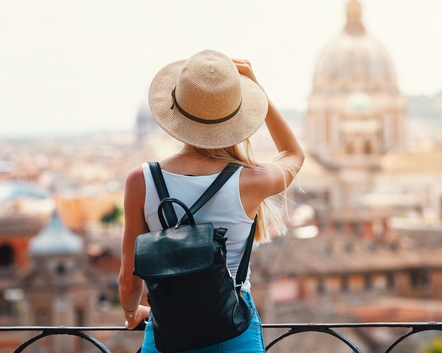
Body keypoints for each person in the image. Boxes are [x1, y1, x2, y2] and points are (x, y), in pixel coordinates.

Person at [118, 49, 304, 353]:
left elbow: (129, 280)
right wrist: (259, 92)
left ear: (176, 111)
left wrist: (131, 313)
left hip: (167, 332)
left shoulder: (140, 180)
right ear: (237, 116)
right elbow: (294, 155)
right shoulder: (250, 181)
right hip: (233, 330)